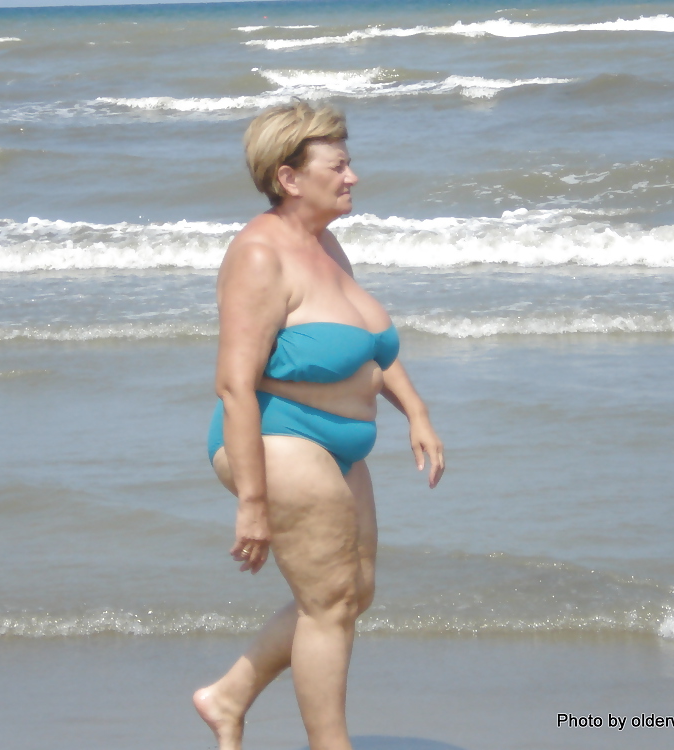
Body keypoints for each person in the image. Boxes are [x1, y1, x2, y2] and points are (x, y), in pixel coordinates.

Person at [193, 100, 445, 750]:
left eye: (349, 162)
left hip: (338, 446)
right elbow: (234, 384)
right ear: (289, 177)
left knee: (349, 595)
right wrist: (252, 501)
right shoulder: (258, 254)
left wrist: (415, 410)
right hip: (277, 438)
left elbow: (368, 346)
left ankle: (227, 698)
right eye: (338, 165)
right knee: (328, 602)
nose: (352, 176)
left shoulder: (327, 245)